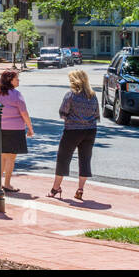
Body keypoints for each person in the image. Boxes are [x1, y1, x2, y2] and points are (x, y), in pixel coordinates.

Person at [51, 68, 100, 201]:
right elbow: (97, 114)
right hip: (90, 131)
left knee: (63, 158)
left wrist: (70, 117)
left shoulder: (71, 95)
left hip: (72, 130)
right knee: (85, 159)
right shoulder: (93, 95)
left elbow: (63, 112)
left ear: (74, 80)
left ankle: (55, 188)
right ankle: (80, 189)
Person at [0, 69, 33, 192]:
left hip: (1, 129)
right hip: (15, 130)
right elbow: (24, 113)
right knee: (11, 158)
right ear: (10, 80)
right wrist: (30, 128)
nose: (18, 80)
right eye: (16, 78)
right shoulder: (17, 94)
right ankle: (7, 184)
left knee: (2, 157)